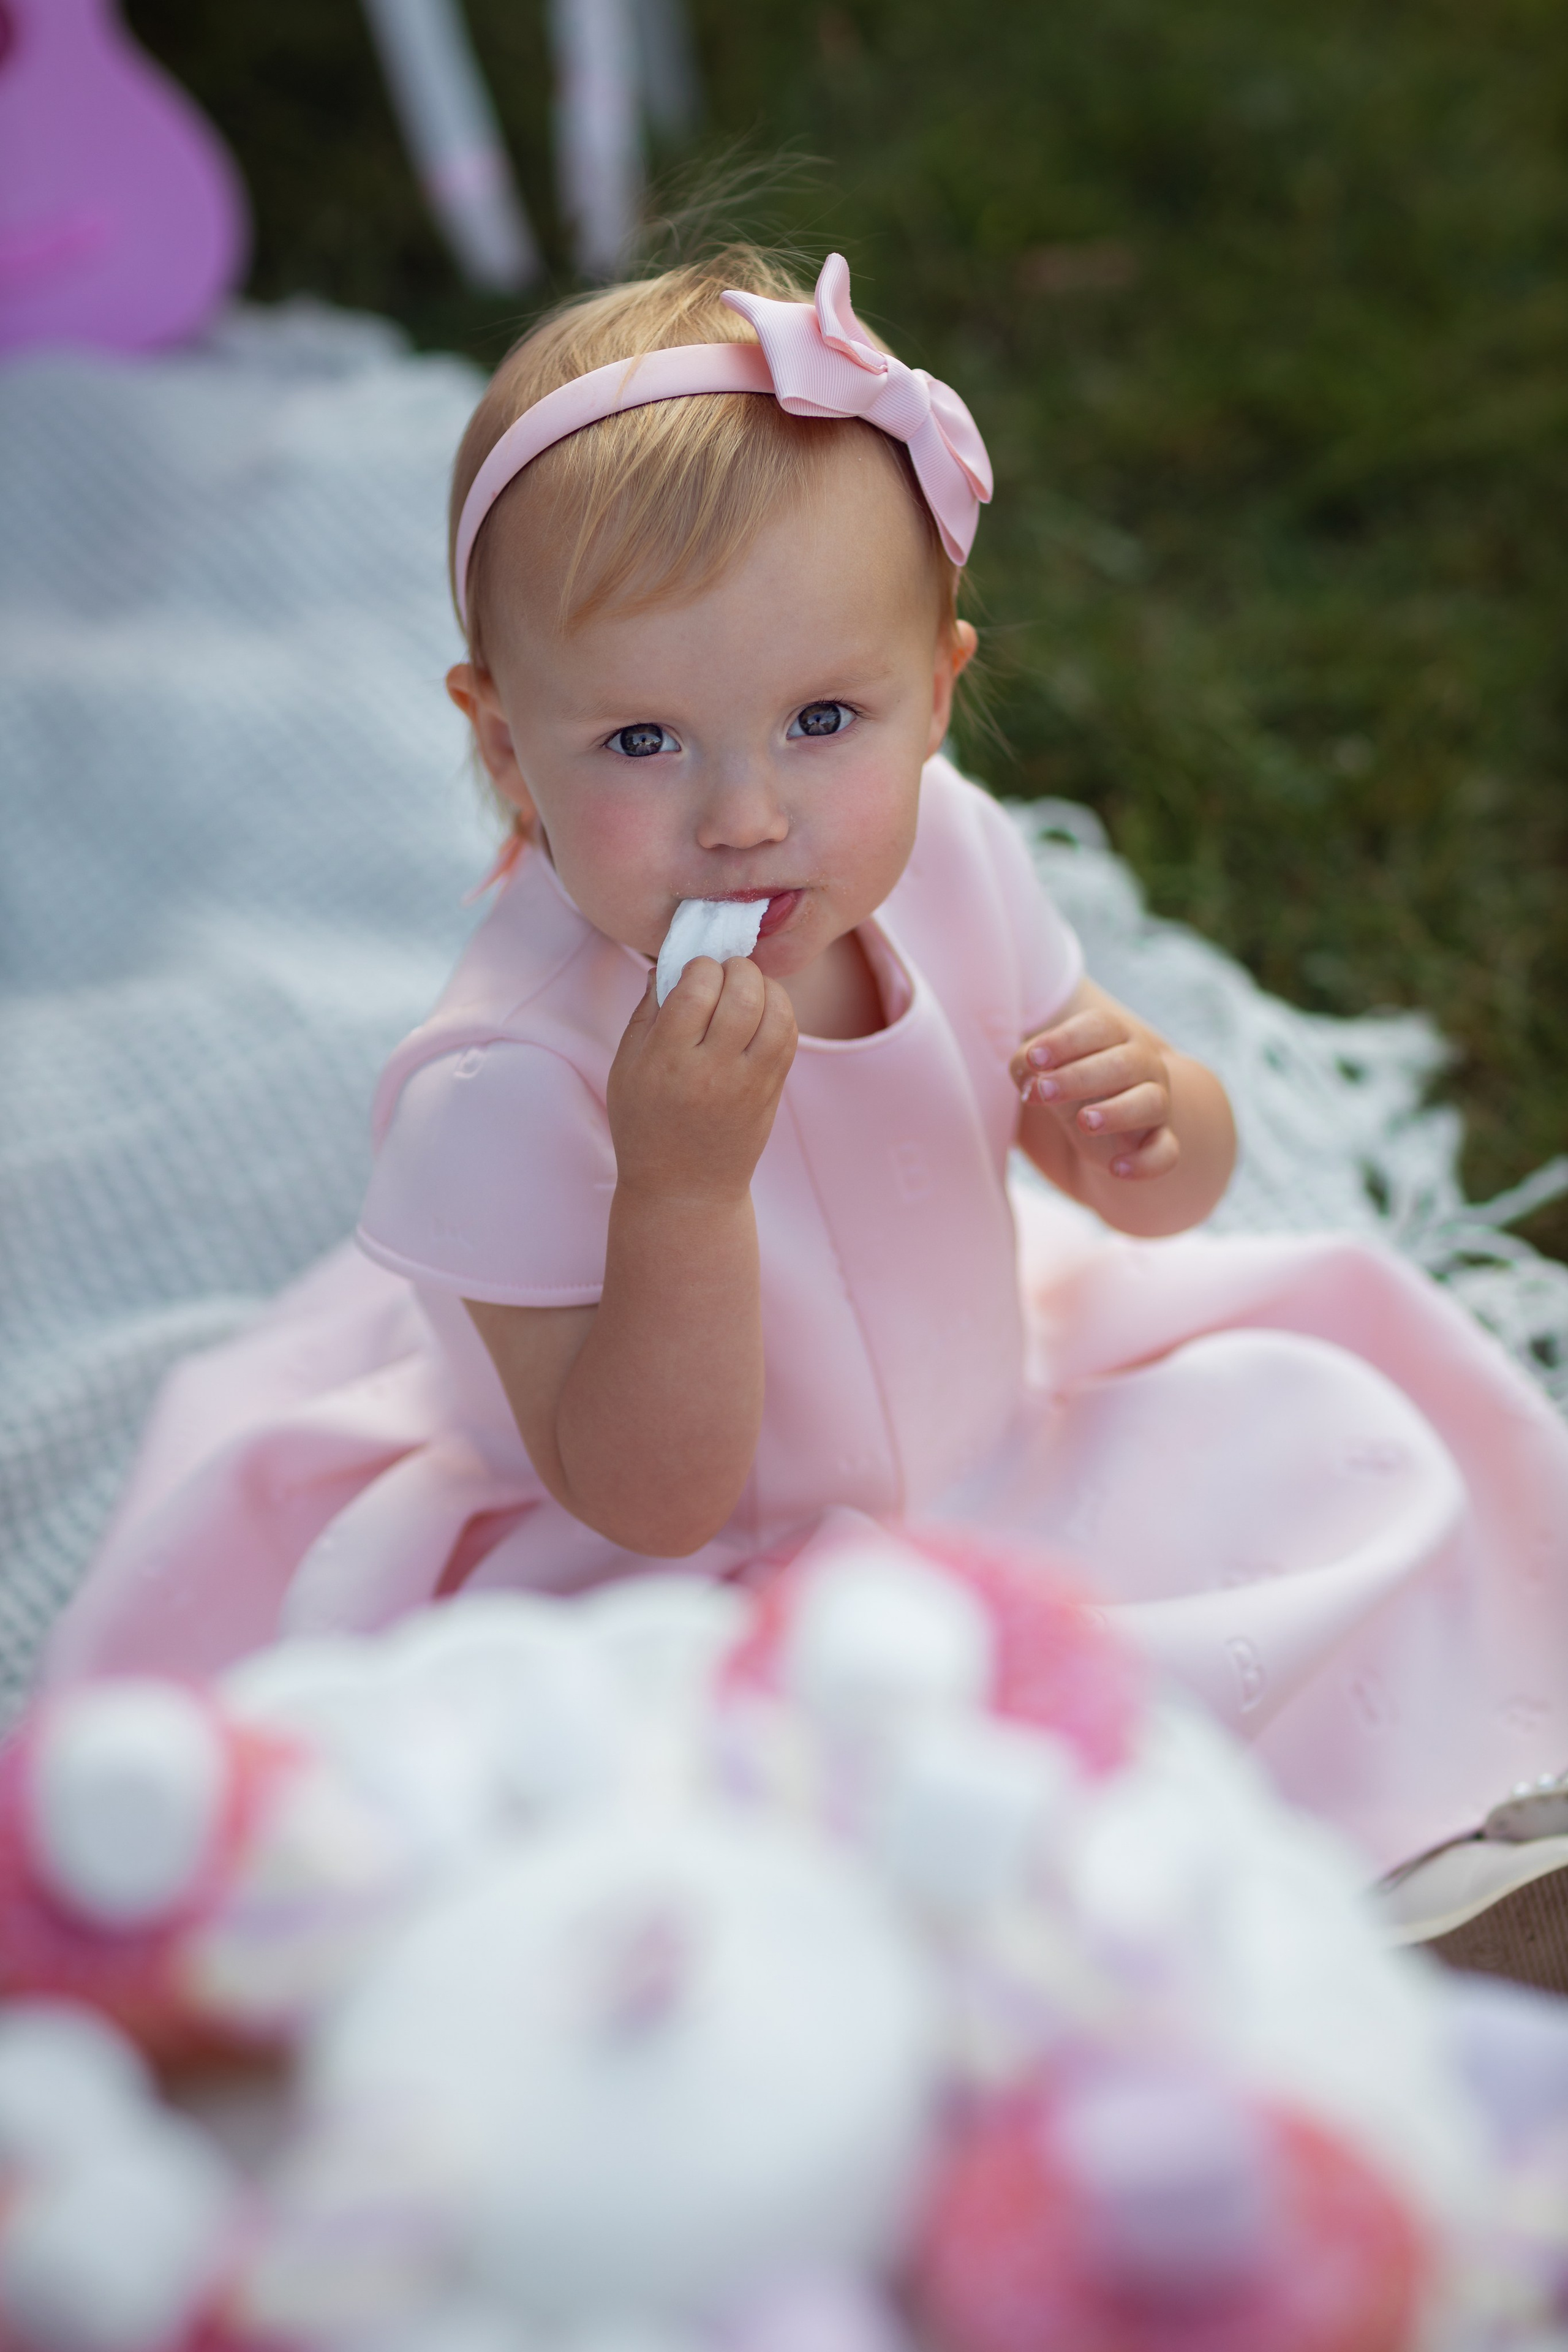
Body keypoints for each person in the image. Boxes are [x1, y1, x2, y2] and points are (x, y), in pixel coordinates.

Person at [48, 247, 1568, 1917]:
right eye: (642, 743)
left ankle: (1424, 1842)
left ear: (937, 697)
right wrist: (680, 1182)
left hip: (993, 1421)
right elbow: (642, 1496)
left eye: (824, 717)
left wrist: (1143, 1115)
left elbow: (1170, 1189)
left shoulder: (956, 860)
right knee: (741, 1855)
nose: (748, 814)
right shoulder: (502, 1080)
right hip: (683, 1564)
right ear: (503, 744)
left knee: (1345, 1450)